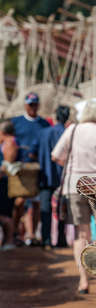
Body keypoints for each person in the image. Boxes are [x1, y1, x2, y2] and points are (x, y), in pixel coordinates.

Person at [52, 100, 96, 294]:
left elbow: (56, 156)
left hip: (75, 185)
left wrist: (71, 167)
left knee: (81, 234)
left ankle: (83, 280)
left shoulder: (73, 129)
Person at [11, 92, 50, 246]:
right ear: (26, 105)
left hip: (38, 169)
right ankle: (14, 232)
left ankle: (31, 235)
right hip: (20, 169)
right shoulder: (16, 122)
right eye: (30, 104)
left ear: (38, 105)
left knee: (36, 204)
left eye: (35, 104)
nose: (33, 107)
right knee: (19, 201)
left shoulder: (44, 124)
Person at [38, 106, 71, 249]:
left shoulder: (44, 133)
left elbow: (33, 152)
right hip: (64, 178)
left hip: (46, 177)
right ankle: (61, 239)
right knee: (62, 209)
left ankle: (46, 240)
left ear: (56, 116)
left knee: (45, 208)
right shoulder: (69, 133)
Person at [0, 121, 19, 251]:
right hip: (5, 182)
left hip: (5, 183)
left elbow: (7, 166)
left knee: (5, 214)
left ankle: (9, 241)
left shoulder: (9, 143)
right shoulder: (9, 142)